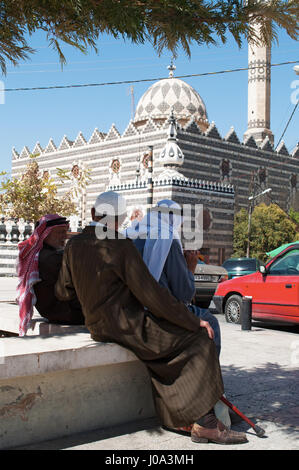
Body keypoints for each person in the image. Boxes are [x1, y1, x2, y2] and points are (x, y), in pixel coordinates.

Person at [55, 191, 247, 445]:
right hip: (127, 325)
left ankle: (189, 416)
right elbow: (151, 294)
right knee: (200, 339)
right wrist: (192, 321)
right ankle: (206, 423)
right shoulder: (119, 245)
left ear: (93, 214)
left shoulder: (74, 245)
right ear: (121, 217)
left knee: (183, 341)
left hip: (98, 326)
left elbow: (63, 291)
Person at [125, 199, 221, 357]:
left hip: (130, 308)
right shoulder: (168, 239)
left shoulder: (132, 233)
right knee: (211, 321)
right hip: (161, 311)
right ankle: (210, 372)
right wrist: (190, 267)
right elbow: (184, 294)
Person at [17, 214, 84, 336]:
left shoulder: (40, 255)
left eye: (65, 232)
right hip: (66, 313)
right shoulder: (51, 258)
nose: (65, 236)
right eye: (60, 232)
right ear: (46, 234)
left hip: (53, 312)